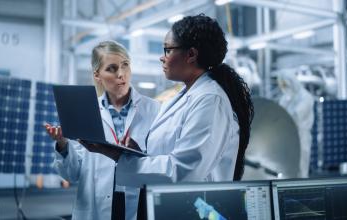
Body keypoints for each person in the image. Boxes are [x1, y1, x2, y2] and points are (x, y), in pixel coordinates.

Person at [81, 14, 253, 187]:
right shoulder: (182, 98)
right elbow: (169, 158)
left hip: (198, 208)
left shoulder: (210, 100)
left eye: (168, 50)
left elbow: (184, 170)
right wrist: (136, 155)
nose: (162, 57)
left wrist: (121, 158)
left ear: (191, 54)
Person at [45, 40, 160, 220]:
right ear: (97, 75)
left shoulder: (154, 110)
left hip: (138, 202)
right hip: (95, 207)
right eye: (112, 69)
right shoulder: (85, 111)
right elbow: (72, 174)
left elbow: (162, 163)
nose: (121, 74)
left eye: (125, 65)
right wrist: (62, 143)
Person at [277, 71, 314, 178]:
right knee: (287, 166)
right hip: (287, 136)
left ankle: (302, 190)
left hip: (301, 136)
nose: (283, 88)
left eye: (285, 85)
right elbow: (280, 114)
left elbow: (296, 115)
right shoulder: (285, 98)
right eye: (282, 85)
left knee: (302, 166)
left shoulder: (306, 97)